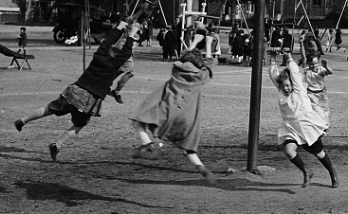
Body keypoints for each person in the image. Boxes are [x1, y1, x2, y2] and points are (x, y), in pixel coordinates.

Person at [13, 12, 147, 161]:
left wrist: (121, 27)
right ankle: (57, 145)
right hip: (90, 99)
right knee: (79, 124)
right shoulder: (116, 64)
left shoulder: (99, 55)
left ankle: (22, 120)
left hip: (75, 90)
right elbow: (126, 53)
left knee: (50, 108)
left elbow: (108, 41)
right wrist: (132, 35)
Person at [129, 48, 217, 184]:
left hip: (167, 111)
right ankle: (200, 166)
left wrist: (191, 48)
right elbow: (211, 63)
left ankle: (146, 143)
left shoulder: (176, 71)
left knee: (138, 121)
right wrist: (208, 43)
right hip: (187, 117)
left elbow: (180, 61)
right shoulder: (201, 76)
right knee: (188, 148)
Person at [269, 54, 338, 188]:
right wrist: (272, 60)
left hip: (306, 125)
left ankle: (332, 173)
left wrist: (289, 57)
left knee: (318, 153)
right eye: (283, 86)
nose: (286, 88)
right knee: (289, 151)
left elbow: (294, 72)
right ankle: (306, 171)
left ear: (293, 83)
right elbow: (274, 75)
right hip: (290, 128)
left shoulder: (299, 89)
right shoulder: (282, 91)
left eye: (288, 85)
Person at [301, 53, 333, 125]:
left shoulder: (321, 69)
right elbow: (303, 56)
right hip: (311, 95)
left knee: (325, 111)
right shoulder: (307, 70)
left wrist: (326, 66)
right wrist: (301, 43)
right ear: (308, 63)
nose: (314, 65)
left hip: (322, 95)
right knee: (314, 113)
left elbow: (330, 72)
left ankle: (325, 126)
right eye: (312, 64)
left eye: (316, 63)